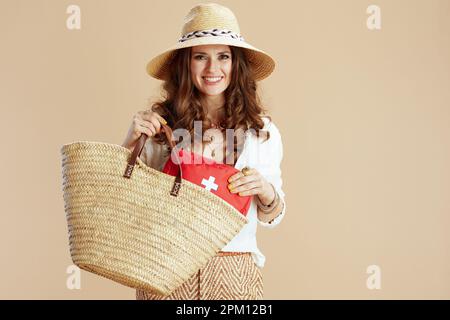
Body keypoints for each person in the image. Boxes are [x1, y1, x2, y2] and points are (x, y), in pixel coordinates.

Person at [121, 3, 286, 300]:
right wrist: (129, 141)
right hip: (165, 267)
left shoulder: (262, 132)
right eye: (200, 57)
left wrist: (265, 190)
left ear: (236, 65)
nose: (213, 69)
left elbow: (273, 214)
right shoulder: (161, 127)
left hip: (235, 272)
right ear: (186, 64)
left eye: (223, 56)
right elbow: (122, 193)